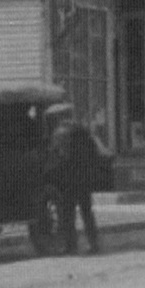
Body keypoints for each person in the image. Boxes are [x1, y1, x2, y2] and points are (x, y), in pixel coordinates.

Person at [44, 102, 103, 254]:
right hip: (84, 178)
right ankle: (93, 243)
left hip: (68, 180)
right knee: (87, 212)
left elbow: (57, 157)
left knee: (67, 213)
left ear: (58, 117)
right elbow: (94, 153)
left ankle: (71, 245)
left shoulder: (59, 133)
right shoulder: (83, 130)